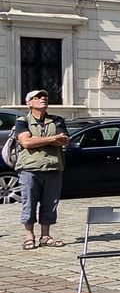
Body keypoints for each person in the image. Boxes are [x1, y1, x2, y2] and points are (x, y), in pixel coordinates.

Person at [14, 89, 69, 250]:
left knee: (50, 204)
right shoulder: (22, 121)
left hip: (53, 167)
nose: (42, 98)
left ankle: (45, 236)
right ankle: (29, 236)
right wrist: (52, 139)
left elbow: (64, 140)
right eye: (36, 97)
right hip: (29, 168)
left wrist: (37, 140)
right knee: (28, 203)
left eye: (44, 96)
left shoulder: (57, 120)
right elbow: (26, 143)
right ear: (29, 103)